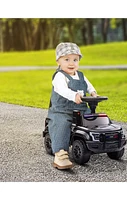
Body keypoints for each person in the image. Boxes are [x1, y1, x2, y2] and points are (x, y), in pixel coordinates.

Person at [47, 42, 97, 170]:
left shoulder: (80, 75)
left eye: (75, 60)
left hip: (80, 109)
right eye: (67, 59)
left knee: (94, 119)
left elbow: (88, 85)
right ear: (58, 61)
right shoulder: (59, 76)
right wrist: (73, 95)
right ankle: (60, 153)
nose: (71, 63)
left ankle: (99, 140)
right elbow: (62, 90)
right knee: (62, 124)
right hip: (62, 110)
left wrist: (93, 92)